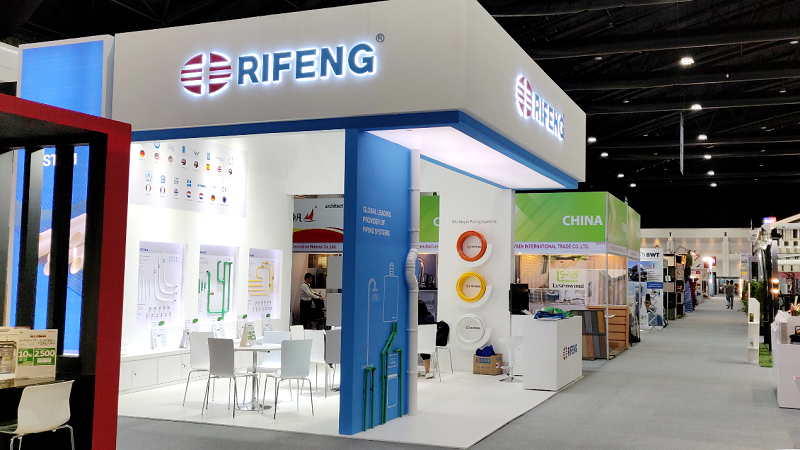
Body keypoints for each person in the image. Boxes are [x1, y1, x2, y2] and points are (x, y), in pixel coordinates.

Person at [418, 299, 435, 379]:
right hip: (428, 345)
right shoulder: (431, 318)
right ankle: (427, 372)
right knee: (425, 351)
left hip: (415, 344)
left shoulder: (414, 319)